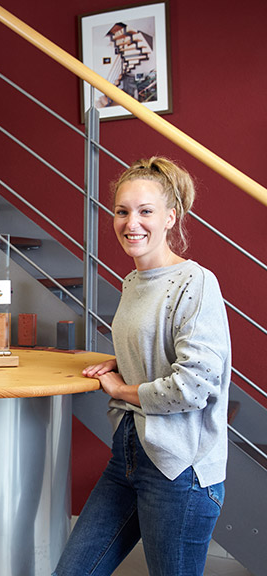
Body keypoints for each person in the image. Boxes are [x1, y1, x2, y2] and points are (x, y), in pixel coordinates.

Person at [53, 157, 231, 576]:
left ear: (172, 217)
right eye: (122, 211)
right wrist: (124, 362)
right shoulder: (134, 281)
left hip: (179, 470)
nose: (131, 223)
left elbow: (192, 386)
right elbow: (158, 345)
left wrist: (120, 389)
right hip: (129, 456)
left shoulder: (196, 282)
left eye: (146, 211)